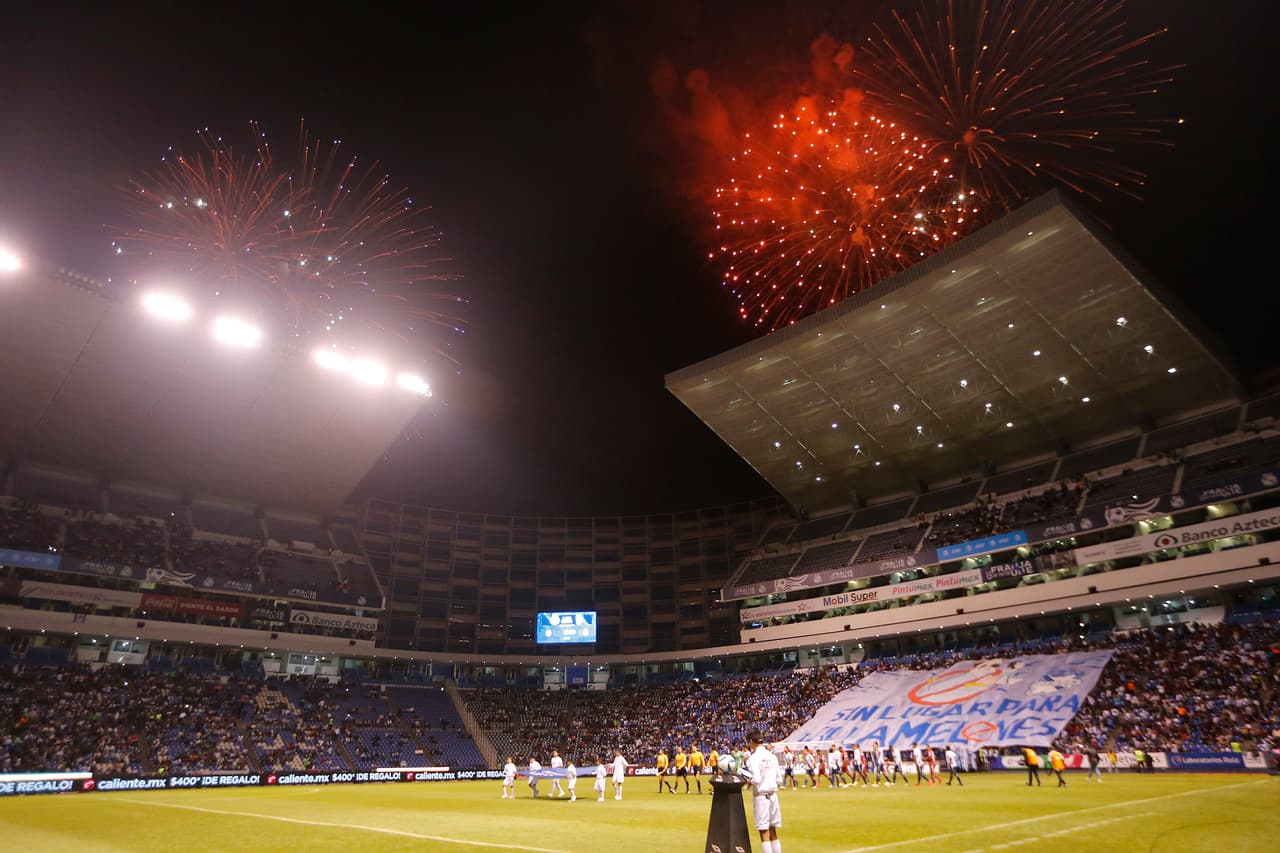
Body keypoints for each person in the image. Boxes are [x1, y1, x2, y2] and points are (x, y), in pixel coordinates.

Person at [744, 729, 783, 853]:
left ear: (751, 741)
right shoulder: (772, 756)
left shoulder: (754, 758)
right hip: (773, 795)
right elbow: (779, 779)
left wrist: (748, 782)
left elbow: (756, 778)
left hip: (761, 796)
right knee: (773, 830)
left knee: (763, 831)